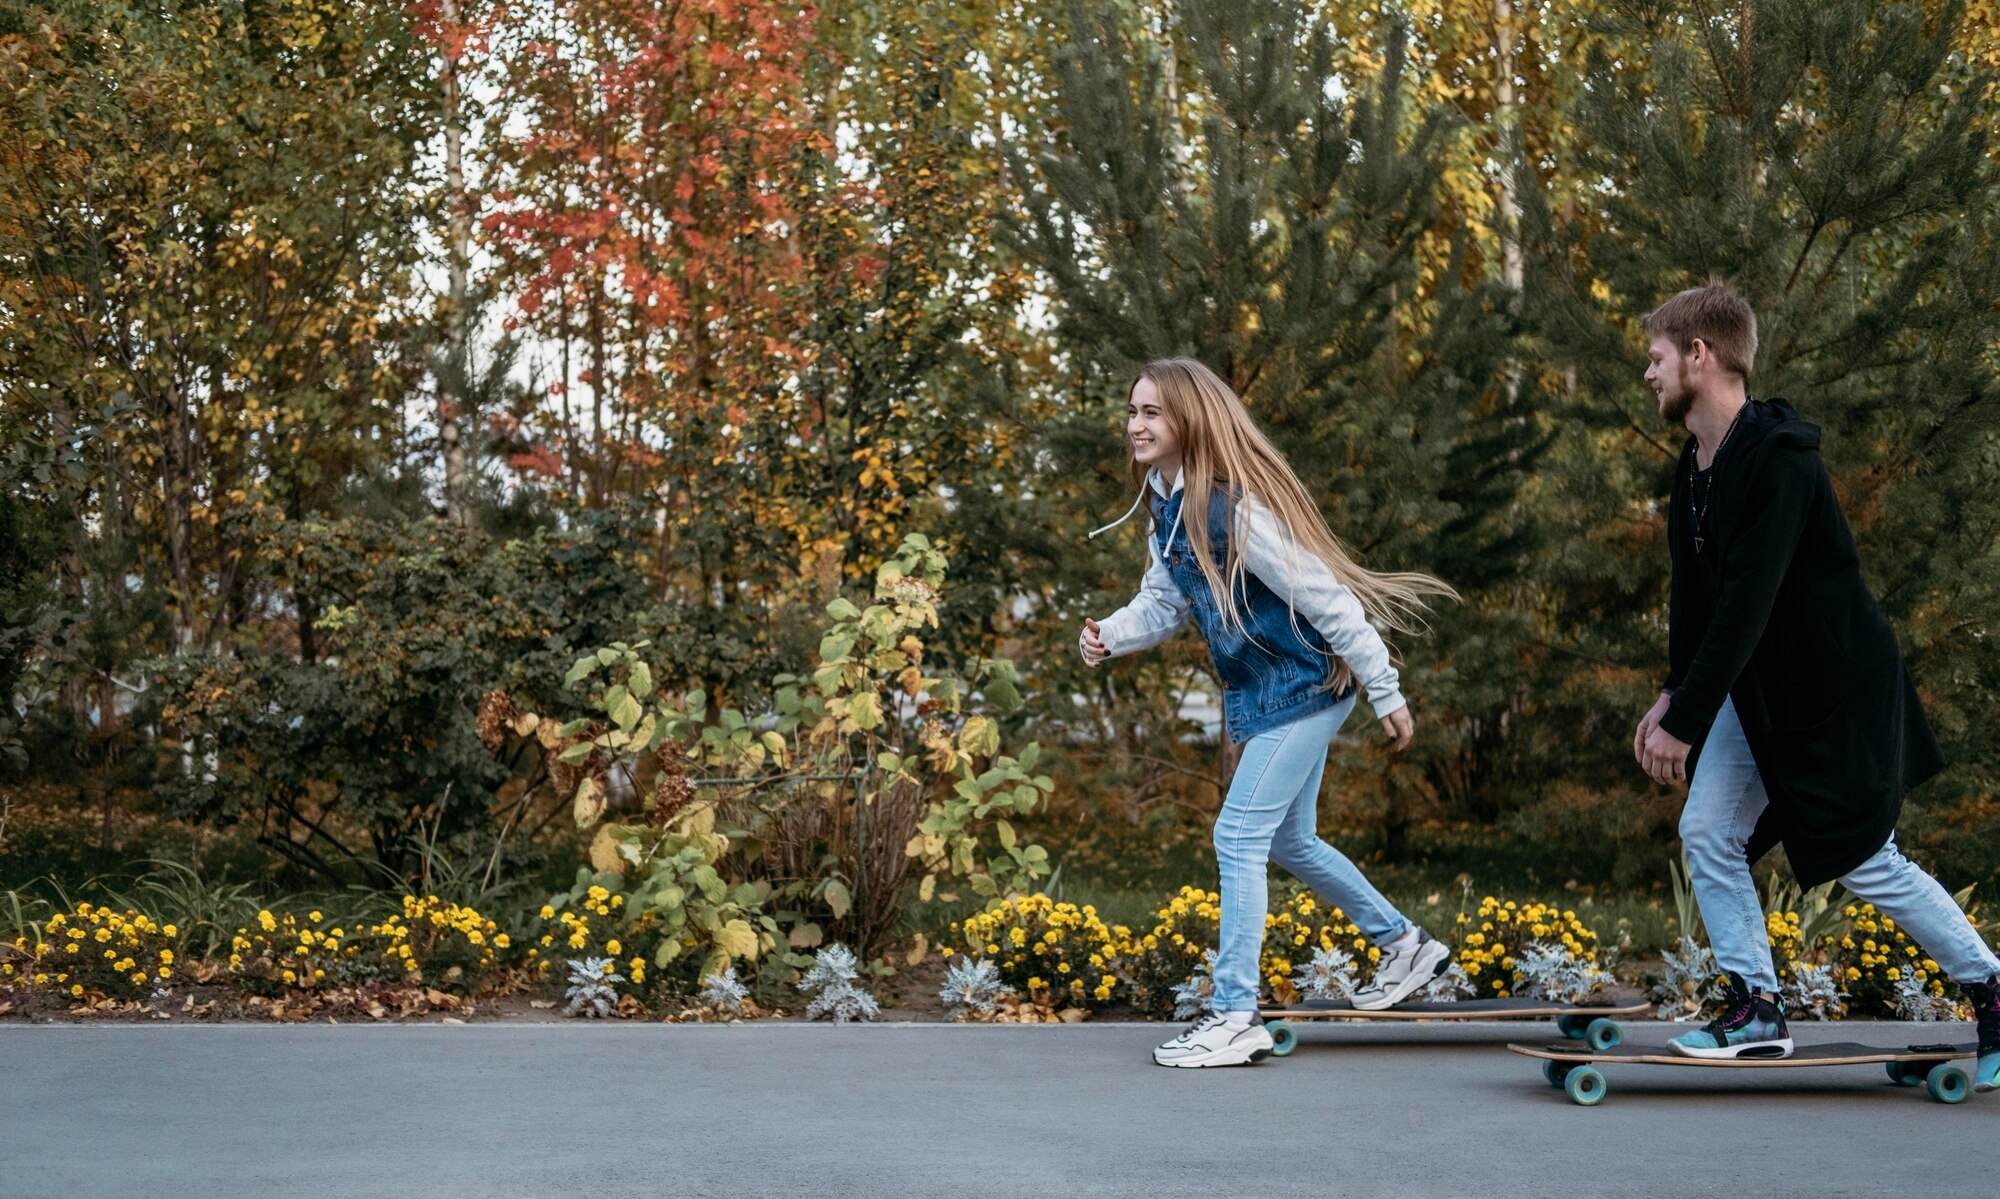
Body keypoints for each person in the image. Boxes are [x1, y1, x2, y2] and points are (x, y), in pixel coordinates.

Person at [1632, 283, 2000, 1080]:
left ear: (1701, 355)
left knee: (1869, 864)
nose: (1649, 373)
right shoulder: (1693, 469)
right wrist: (1672, 693)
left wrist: (1687, 717)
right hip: (1760, 697)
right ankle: (1756, 1007)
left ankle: (1993, 986)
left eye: (1658, 357)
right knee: (1708, 831)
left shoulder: (1781, 462)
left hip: (1832, 699)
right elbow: (1695, 606)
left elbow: (1748, 606)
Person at [1080, 357, 1456, 1067]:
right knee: (1289, 841)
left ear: (1187, 419)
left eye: (1151, 412)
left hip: (1308, 685)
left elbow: (1327, 598)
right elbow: (1163, 601)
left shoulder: (1235, 507)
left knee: (1238, 836)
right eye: (1132, 411)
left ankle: (1234, 1013)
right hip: (1262, 694)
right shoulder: (1166, 505)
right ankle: (1406, 945)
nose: (1135, 424)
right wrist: (1111, 634)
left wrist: (1386, 689)